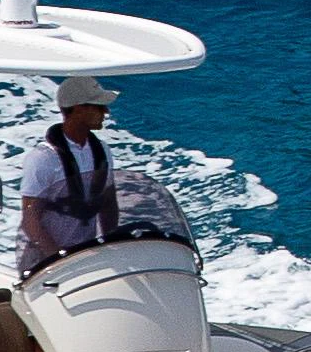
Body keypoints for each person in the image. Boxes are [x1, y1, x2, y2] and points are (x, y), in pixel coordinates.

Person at [14, 76, 188, 276]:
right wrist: (57, 258)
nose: (106, 112)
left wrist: (110, 248)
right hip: (45, 262)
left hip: (81, 255)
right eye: (99, 107)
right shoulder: (43, 159)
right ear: (79, 109)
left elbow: (107, 204)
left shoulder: (101, 151)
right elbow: (31, 220)